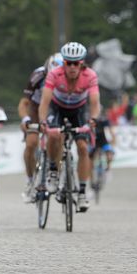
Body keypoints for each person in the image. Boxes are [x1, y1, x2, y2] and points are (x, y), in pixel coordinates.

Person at [39, 42, 100, 212]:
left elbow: (94, 102)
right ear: (63, 63)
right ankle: (53, 170)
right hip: (57, 108)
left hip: (78, 111)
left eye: (76, 63)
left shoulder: (90, 75)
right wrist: (43, 121)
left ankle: (81, 192)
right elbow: (44, 102)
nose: (72, 67)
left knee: (82, 147)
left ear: (82, 63)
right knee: (54, 135)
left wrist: (93, 119)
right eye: (68, 63)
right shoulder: (54, 74)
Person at [18, 52, 63, 203]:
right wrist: (25, 119)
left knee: (58, 137)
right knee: (31, 143)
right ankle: (30, 180)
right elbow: (24, 102)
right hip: (36, 107)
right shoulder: (37, 75)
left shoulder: (69, 76)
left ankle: (55, 172)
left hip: (56, 107)